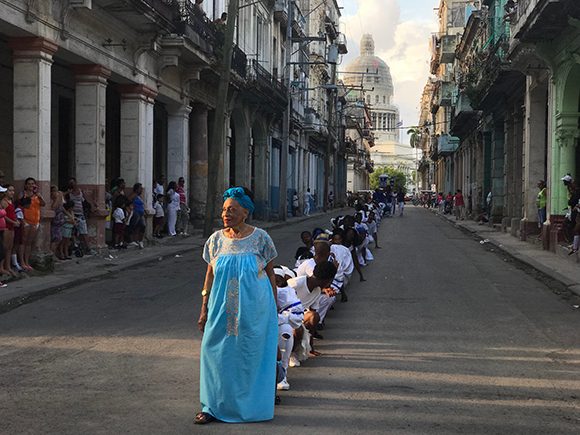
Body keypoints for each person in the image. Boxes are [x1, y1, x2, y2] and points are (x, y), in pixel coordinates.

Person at [196, 186, 278, 425]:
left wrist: (273, 308)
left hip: (254, 310)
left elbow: (271, 274)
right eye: (223, 210)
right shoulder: (215, 241)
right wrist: (204, 307)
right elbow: (209, 276)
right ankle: (210, 406)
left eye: (231, 210)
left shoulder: (261, 238)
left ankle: (250, 405)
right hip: (221, 309)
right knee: (214, 353)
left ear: (245, 212)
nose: (226, 214)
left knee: (247, 356)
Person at [20, 177, 46, 270]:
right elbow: (24, 205)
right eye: (29, 184)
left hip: (35, 221)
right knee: (23, 241)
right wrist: (29, 196)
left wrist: (39, 196)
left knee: (29, 243)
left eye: (33, 184)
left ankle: (27, 262)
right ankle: (22, 261)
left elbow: (43, 204)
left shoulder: (37, 195)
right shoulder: (23, 194)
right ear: (26, 185)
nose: (31, 185)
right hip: (26, 220)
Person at [66, 177, 93, 255]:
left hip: (80, 214)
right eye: (70, 183)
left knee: (84, 232)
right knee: (72, 233)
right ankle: (75, 246)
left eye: (73, 183)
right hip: (73, 215)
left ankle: (87, 248)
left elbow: (86, 200)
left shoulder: (81, 191)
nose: (72, 185)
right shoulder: (69, 193)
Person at [1, 185, 18, 277]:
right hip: (6, 227)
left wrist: (16, 220)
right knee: (4, 247)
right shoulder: (4, 202)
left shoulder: (11, 201)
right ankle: (2, 267)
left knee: (9, 248)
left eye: (13, 190)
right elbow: (4, 215)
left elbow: (12, 213)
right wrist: (13, 222)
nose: (12, 192)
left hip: (12, 226)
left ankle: (8, 266)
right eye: (10, 190)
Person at [562, 174, 580, 255]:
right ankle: (573, 244)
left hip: (576, 211)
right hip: (572, 210)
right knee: (571, 226)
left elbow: (575, 200)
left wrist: (576, 206)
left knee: (575, 228)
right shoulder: (572, 190)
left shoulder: (576, 191)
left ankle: (575, 246)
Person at [127, 183, 146, 249]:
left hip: (141, 213)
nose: (141, 190)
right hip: (136, 213)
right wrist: (131, 206)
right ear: (137, 189)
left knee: (143, 226)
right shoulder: (133, 195)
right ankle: (131, 240)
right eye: (140, 188)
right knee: (133, 226)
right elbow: (128, 201)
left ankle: (140, 240)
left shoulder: (139, 196)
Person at [50, 186, 65, 259]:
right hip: (55, 223)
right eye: (54, 191)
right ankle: (52, 255)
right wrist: (57, 199)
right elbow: (53, 208)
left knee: (59, 239)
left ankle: (55, 253)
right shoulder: (52, 200)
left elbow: (62, 209)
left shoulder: (60, 200)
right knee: (56, 239)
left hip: (60, 221)